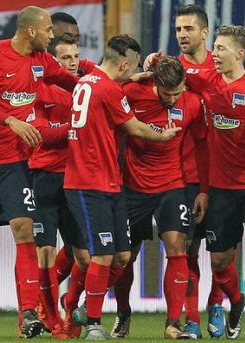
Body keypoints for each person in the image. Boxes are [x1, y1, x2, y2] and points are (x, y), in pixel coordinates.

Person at [0, 5, 78, 339]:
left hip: (13, 162)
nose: (53, 36)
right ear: (31, 31)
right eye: (49, 30)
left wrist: (113, 81)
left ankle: (28, 315)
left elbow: (73, 82)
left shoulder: (42, 61)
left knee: (25, 229)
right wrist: (10, 120)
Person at [63, 35, 181, 340]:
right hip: (89, 183)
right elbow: (135, 128)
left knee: (122, 256)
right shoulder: (108, 89)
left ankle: (83, 302)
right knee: (100, 256)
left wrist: (139, 74)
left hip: (111, 182)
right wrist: (165, 136)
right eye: (136, 66)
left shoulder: (89, 81)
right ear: (126, 63)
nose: (138, 71)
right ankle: (91, 322)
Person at [184, 25, 245, 340]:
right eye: (215, 47)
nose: (215, 54)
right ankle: (236, 301)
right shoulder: (208, 83)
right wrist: (155, 63)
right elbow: (180, 74)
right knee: (220, 260)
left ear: (240, 54)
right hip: (221, 188)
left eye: (221, 48)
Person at [113, 56, 208, 339]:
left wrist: (203, 188)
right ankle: (123, 313)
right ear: (154, 83)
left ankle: (172, 323)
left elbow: (202, 145)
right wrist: (131, 78)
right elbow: (102, 89)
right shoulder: (132, 94)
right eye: (168, 94)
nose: (173, 98)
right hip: (133, 187)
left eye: (178, 92)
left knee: (178, 247)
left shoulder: (191, 103)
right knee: (124, 257)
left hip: (172, 185)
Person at [28, 32, 90, 339]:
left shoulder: (85, 86)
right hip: (45, 178)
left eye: (76, 57)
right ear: (53, 61)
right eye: (66, 57)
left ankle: (70, 304)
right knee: (46, 252)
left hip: (76, 180)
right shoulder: (38, 88)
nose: (73, 62)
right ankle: (51, 320)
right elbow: (41, 133)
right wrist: (76, 128)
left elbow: (116, 72)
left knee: (85, 257)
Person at [174, 4, 228, 338]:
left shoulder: (222, 65)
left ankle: (217, 302)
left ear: (205, 33)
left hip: (223, 173)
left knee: (222, 251)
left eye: (188, 29)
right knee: (188, 248)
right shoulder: (169, 70)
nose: (182, 35)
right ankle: (192, 318)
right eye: (178, 29)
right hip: (184, 174)